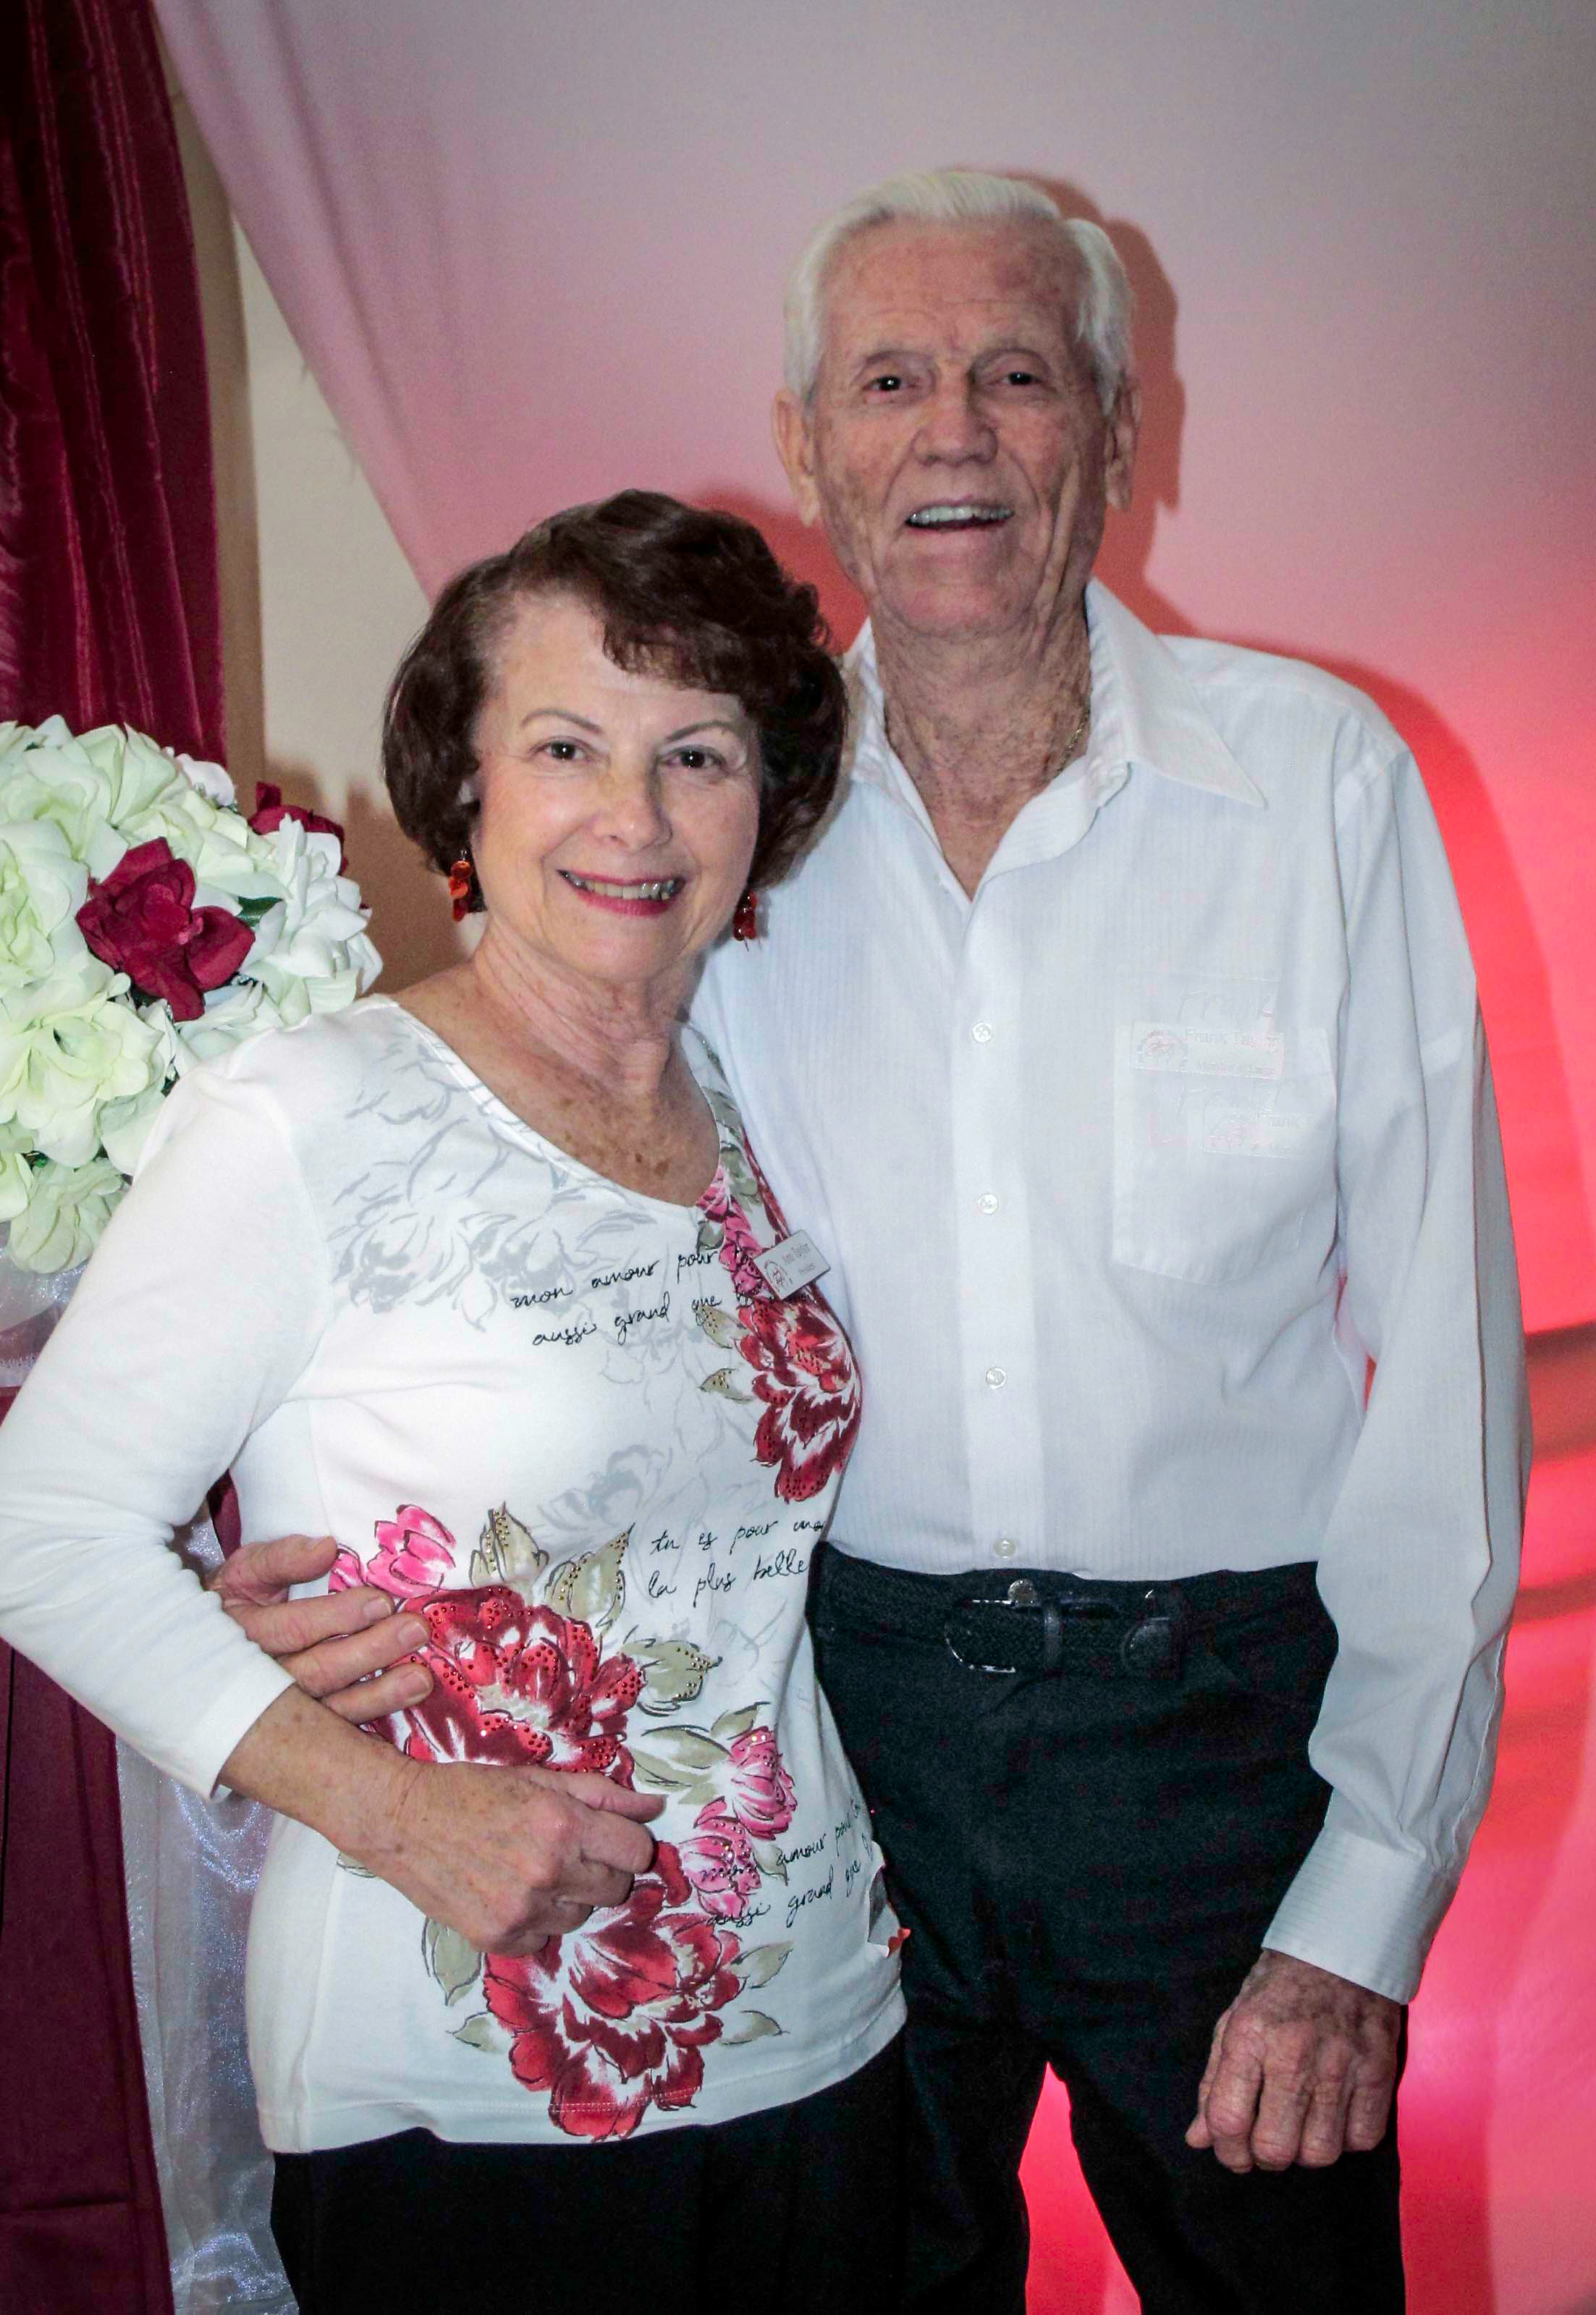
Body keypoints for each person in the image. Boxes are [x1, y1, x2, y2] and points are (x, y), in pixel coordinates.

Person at [233, 169, 1529, 2311]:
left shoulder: (1319, 786)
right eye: (891, 382)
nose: (956, 434)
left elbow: (1449, 1387)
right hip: (835, 1740)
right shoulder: (717, 825)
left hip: (1225, 1755)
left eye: (1018, 376)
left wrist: (1364, 1905)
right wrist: (333, 1532)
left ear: (1119, 429)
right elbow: (555, 1225)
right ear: (809, 440)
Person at [0, 492, 906, 2313]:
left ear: (770, 802)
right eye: (566, 746)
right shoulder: (313, 1115)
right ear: (466, 785)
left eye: (698, 754)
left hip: (825, 2041)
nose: (634, 817)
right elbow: (42, 1531)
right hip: (464, 2084)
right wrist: (386, 1808)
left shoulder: (754, 1114)